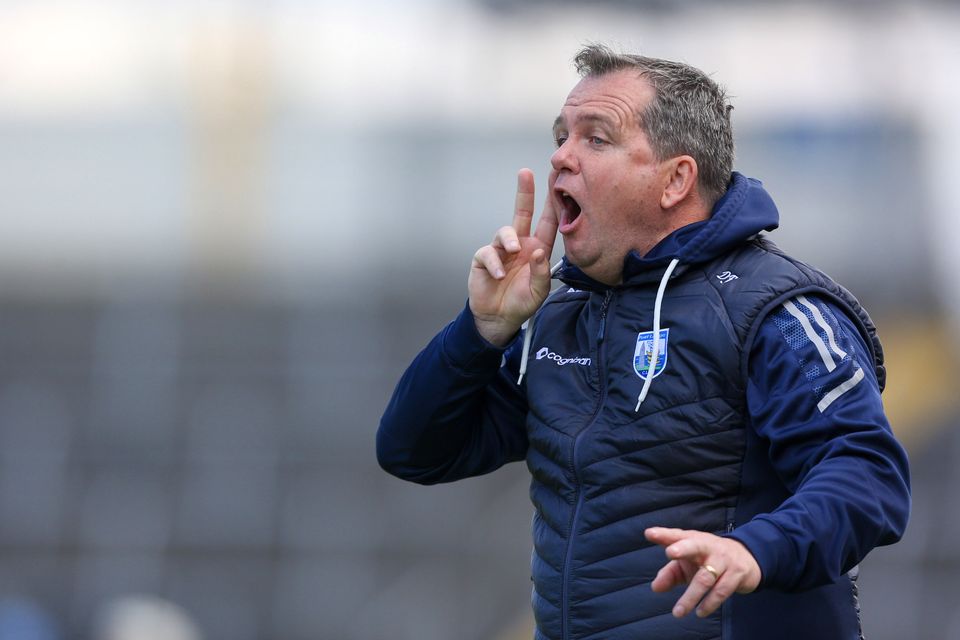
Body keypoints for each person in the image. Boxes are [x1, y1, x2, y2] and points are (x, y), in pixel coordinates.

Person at [377, 44, 911, 640]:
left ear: (675, 179)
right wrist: (481, 331)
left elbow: (868, 475)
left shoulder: (774, 309)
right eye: (561, 136)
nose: (561, 157)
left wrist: (756, 551)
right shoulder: (559, 319)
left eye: (595, 139)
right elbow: (414, 451)